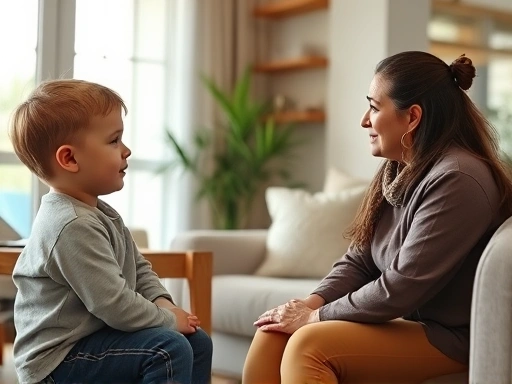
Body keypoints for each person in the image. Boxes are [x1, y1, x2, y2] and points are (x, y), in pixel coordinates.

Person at [242, 51, 512, 384]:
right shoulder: (398, 170)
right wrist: (305, 305)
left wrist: (316, 317)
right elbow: (359, 260)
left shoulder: (458, 178)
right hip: (413, 324)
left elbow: (400, 288)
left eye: (374, 106)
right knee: (272, 334)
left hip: (451, 337)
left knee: (308, 345)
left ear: (412, 117)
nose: (364, 120)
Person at [9, 79, 213, 384]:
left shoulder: (101, 213)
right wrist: (169, 321)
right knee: (167, 348)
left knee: (197, 342)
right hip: (57, 362)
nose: (126, 150)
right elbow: (114, 305)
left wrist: (166, 306)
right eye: (114, 140)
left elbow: (140, 271)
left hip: (93, 341)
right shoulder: (71, 225)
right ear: (70, 158)